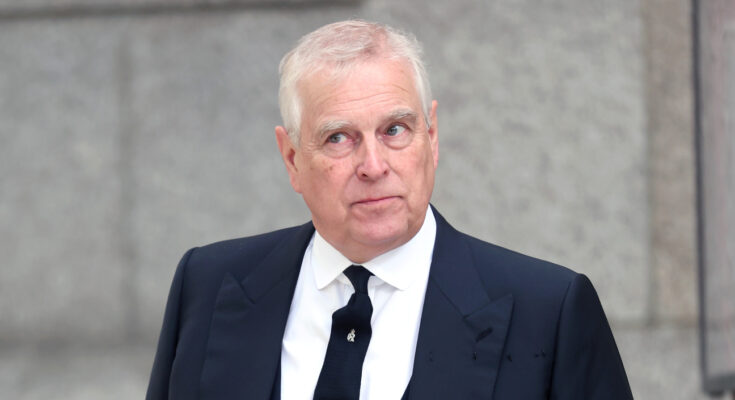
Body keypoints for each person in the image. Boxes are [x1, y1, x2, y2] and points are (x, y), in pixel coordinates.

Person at [146, 20, 632, 400]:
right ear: (292, 159)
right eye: (339, 138)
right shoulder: (206, 286)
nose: (373, 166)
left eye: (394, 130)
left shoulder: (549, 312)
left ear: (431, 137)